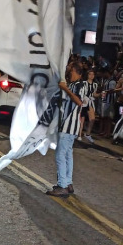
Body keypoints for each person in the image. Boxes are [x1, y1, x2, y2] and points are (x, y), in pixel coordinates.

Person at [45, 62, 85, 197]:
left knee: (60, 155)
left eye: (71, 71)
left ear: (77, 72)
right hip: (66, 126)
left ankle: (62, 185)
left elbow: (79, 102)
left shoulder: (80, 85)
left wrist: (65, 89)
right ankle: (68, 183)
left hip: (69, 126)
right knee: (67, 155)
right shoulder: (73, 85)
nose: (69, 73)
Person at [79, 69, 98, 143]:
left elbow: (94, 94)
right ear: (87, 75)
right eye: (90, 74)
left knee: (92, 119)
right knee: (82, 119)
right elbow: (81, 92)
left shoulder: (95, 84)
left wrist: (99, 95)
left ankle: (87, 134)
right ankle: (79, 134)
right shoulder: (83, 83)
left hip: (90, 102)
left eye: (93, 74)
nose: (91, 76)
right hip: (84, 101)